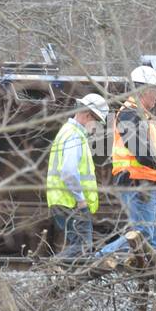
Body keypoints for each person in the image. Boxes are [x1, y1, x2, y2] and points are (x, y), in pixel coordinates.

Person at [96, 65, 156, 258]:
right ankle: (99, 258)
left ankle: (147, 281)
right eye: (155, 90)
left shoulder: (142, 116)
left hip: (148, 183)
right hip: (137, 182)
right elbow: (140, 150)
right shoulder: (129, 114)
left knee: (155, 239)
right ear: (144, 91)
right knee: (143, 234)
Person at [45, 94, 108, 258]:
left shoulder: (67, 131)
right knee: (82, 249)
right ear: (88, 115)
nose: (97, 127)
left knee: (79, 250)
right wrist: (80, 199)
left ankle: (63, 279)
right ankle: (50, 268)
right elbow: (68, 171)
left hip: (64, 201)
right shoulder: (75, 136)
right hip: (72, 203)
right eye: (97, 121)